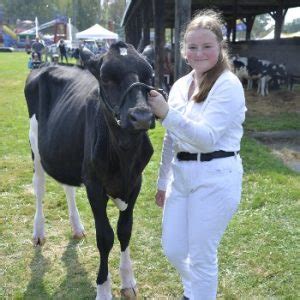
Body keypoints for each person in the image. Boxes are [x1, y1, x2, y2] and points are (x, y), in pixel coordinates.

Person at [148, 9, 246, 300]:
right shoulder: (179, 85)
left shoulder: (228, 85)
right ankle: (196, 291)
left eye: (207, 46)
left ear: (220, 48)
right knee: (174, 249)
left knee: (202, 256)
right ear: (183, 50)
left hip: (216, 177)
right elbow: (171, 138)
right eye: (192, 46)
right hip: (182, 176)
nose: (199, 52)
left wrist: (166, 114)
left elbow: (206, 139)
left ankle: (198, 295)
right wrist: (162, 181)